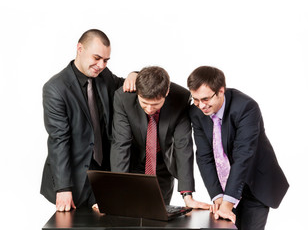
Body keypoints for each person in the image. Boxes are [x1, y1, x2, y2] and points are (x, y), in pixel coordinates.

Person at [40, 29, 137, 211]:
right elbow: (58, 140)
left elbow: (123, 84)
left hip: (104, 173)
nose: (101, 65)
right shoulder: (55, 88)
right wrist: (63, 187)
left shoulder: (104, 76)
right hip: (74, 176)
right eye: (97, 58)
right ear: (80, 49)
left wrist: (134, 74)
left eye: (106, 60)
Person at [187, 66, 289, 229]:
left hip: (254, 184)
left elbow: (243, 157)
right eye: (196, 99)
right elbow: (204, 156)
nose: (201, 105)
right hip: (224, 185)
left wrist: (227, 205)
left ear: (221, 91)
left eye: (205, 99)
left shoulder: (246, 107)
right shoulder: (196, 112)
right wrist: (218, 197)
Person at [110, 66, 210, 209]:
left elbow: (183, 145)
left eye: (155, 105)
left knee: (159, 216)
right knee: (126, 213)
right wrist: (116, 192)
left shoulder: (180, 98)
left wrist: (187, 196)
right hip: (132, 165)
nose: (150, 110)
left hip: (163, 166)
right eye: (144, 103)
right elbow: (121, 144)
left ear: (167, 92)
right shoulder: (123, 97)